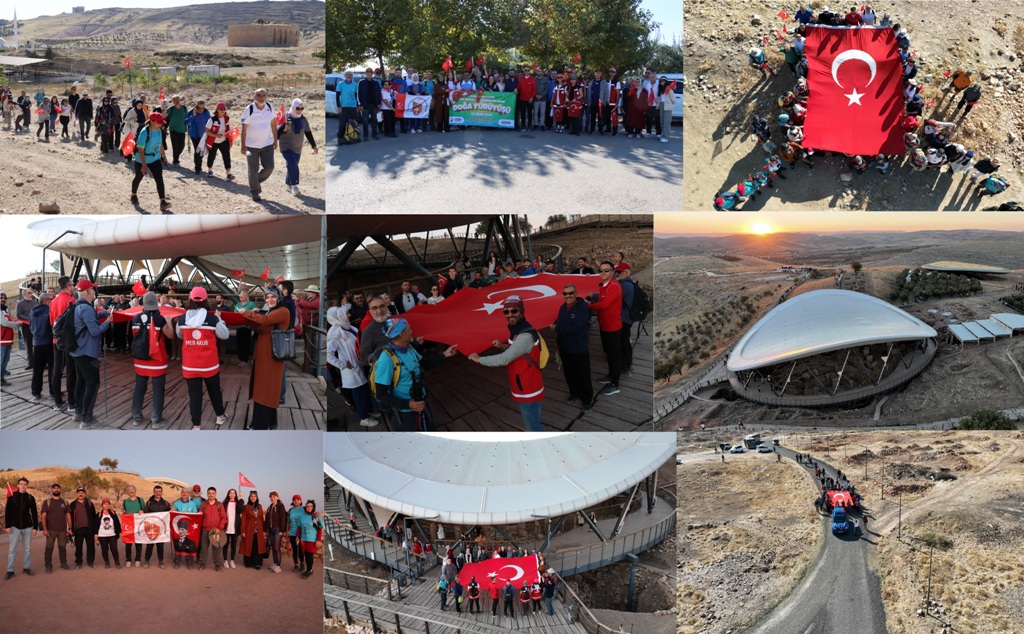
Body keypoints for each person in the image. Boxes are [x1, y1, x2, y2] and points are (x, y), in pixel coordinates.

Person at [468, 295, 545, 431]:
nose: (510, 315)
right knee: (532, 422)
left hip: (528, 388)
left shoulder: (525, 335)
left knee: (533, 428)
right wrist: (503, 346)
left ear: (522, 312)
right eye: (506, 311)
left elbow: (505, 359)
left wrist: (479, 359)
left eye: (514, 311)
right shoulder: (517, 330)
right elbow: (519, 351)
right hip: (525, 384)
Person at [373, 317, 458, 430]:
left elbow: (424, 364)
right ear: (402, 334)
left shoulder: (408, 348)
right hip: (405, 413)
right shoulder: (386, 359)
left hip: (421, 401)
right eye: (409, 329)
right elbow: (380, 394)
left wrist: (445, 355)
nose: (412, 331)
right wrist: (407, 404)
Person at [175, 286, 230, 430]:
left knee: (194, 396)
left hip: (190, 365)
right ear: (205, 300)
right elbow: (224, 335)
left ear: (190, 299)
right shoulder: (212, 319)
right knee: (214, 391)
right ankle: (220, 416)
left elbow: (179, 335)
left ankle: (196, 425)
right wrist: (219, 319)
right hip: (209, 365)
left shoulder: (182, 319)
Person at [238, 284, 289, 429]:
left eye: (273, 296)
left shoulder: (282, 311)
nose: (270, 299)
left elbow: (264, 321)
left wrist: (247, 313)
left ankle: (258, 425)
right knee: (266, 389)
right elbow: (260, 328)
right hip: (265, 356)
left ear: (279, 297)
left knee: (265, 390)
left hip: (272, 357)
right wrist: (249, 319)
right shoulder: (271, 312)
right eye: (268, 297)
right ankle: (270, 422)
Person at [69, 280, 112, 425]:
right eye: (93, 290)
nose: (95, 292)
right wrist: (108, 321)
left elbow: (88, 321)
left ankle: (78, 413)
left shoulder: (77, 305)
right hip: (87, 352)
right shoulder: (86, 308)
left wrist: (103, 314)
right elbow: (95, 331)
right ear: (87, 291)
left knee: (80, 382)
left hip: (77, 351)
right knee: (92, 384)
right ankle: (87, 419)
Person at [130, 291, 174, 428]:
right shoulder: (160, 319)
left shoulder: (135, 318)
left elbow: (135, 336)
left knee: (139, 388)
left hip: (141, 359)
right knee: (158, 389)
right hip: (157, 360)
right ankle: (156, 419)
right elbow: (170, 335)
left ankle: (136, 417)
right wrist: (169, 322)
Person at [327, 307, 375, 427]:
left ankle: (367, 412)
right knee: (359, 393)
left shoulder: (348, 327)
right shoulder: (335, 334)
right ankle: (364, 418)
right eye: (346, 313)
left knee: (363, 391)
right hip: (351, 368)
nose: (348, 315)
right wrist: (342, 365)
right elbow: (328, 354)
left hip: (359, 364)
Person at [552, 284, 593, 409]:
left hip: (579, 348)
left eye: (570, 293)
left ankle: (587, 400)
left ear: (576, 293)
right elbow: (561, 325)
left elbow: (576, 328)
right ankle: (574, 393)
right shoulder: (562, 308)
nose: (568, 296)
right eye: (565, 294)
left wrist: (556, 328)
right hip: (565, 347)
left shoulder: (582, 308)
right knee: (569, 373)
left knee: (583, 375)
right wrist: (558, 345)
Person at [587, 262, 623, 396]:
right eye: (601, 270)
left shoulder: (614, 286)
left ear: (612, 272)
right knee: (609, 353)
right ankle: (611, 375)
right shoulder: (604, 286)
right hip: (604, 325)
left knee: (614, 355)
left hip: (612, 327)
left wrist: (588, 306)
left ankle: (615, 383)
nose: (603, 273)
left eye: (606, 271)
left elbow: (604, 305)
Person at [240, 88, 279, 202]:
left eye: (263, 95)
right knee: (253, 169)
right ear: (254, 97)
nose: (261, 97)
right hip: (251, 146)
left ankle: (256, 182)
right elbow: (244, 129)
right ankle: (254, 192)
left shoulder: (270, 107)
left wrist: (275, 139)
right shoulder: (249, 109)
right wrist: (243, 146)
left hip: (267, 143)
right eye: (259, 95)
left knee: (269, 167)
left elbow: (273, 124)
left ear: (266, 96)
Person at [131, 112, 171, 212]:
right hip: (142, 159)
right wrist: (144, 166)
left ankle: (162, 202)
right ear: (152, 121)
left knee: (159, 178)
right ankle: (133, 194)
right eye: (159, 122)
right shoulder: (145, 132)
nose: (161, 124)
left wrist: (164, 155)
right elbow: (140, 149)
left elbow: (160, 143)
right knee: (138, 177)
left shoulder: (159, 130)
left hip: (155, 158)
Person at [277, 98, 318, 196]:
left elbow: (307, 132)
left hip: (298, 146)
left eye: (301, 108)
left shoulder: (303, 119)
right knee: (292, 163)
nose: (299, 111)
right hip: (286, 145)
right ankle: (294, 186)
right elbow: (276, 132)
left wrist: (314, 145)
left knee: (293, 165)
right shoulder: (286, 117)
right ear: (293, 107)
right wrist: (283, 128)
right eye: (297, 108)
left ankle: (288, 184)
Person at [5, 477, 38, 580]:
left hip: (27, 526)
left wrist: (35, 527)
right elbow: (8, 512)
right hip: (14, 527)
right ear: (18, 485)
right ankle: (10, 570)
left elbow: (34, 513)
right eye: (21, 484)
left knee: (27, 549)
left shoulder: (30, 498)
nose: (23, 485)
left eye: (25, 484)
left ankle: (26, 567)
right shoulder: (12, 497)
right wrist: (8, 526)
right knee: (12, 549)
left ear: (27, 486)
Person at [40, 482, 71, 574]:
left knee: (62, 548)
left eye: (58, 488)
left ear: (60, 490)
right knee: (49, 548)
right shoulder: (47, 502)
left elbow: (68, 515)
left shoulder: (64, 502)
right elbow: (43, 516)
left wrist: (70, 528)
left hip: (62, 530)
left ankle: (64, 564)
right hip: (50, 530)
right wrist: (45, 529)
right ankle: (48, 566)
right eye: (54, 488)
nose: (56, 489)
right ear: (52, 490)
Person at [28, 292, 52, 401]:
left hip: (37, 342)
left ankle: (36, 393)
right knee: (52, 368)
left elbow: (30, 325)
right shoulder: (49, 311)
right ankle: (53, 392)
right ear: (46, 301)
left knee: (37, 369)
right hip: (48, 342)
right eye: (51, 300)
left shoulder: (32, 312)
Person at [197, 487, 227, 572]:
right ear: (207, 494)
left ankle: (217, 564)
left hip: (216, 531)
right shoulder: (203, 504)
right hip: (205, 530)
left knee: (216, 548)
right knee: (204, 548)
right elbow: (200, 516)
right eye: (209, 493)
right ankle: (202, 563)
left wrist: (219, 528)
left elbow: (224, 517)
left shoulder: (219, 505)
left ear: (215, 494)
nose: (211, 495)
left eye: (213, 493)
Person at [171, 487, 201, 569]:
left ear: (188, 494)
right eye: (183, 492)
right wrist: (172, 510)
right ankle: (177, 561)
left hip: (189, 528)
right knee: (178, 544)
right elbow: (172, 511)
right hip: (179, 527)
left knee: (188, 544)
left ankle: (189, 562)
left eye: (186, 492)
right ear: (181, 493)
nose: (184, 493)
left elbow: (195, 515)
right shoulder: (176, 503)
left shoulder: (192, 504)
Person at [203, 102, 234, 180]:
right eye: (221, 109)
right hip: (213, 141)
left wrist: (231, 139)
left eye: (224, 109)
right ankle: (210, 170)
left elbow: (230, 130)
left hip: (223, 141)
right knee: (212, 156)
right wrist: (216, 135)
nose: (223, 111)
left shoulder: (227, 119)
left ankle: (228, 173)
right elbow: (207, 131)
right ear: (217, 109)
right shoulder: (212, 119)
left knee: (227, 156)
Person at [295, 499, 322, 580]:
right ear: (305, 507)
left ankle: (309, 570)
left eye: (311, 506)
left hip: (312, 540)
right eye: (307, 506)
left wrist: (318, 540)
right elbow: (299, 527)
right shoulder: (302, 516)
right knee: (306, 555)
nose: (309, 508)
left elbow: (319, 529)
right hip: (303, 539)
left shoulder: (316, 517)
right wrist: (297, 536)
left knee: (310, 556)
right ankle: (308, 570)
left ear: (313, 507)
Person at [240, 490, 267, 569]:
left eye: (254, 496)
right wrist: (243, 531)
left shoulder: (260, 506)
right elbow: (243, 519)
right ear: (249, 497)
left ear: (257, 497)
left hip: (258, 528)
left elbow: (262, 518)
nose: (253, 497)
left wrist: (263, 530)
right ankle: (248, 563)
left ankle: (257, 563)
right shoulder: (246, 507)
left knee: (257, 546)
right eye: (251, 496)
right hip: (249, 528)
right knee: (248, 545)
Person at [93, 498, 122, 569]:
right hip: (102, 534)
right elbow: (96, 525)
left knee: (114, 549)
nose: (106, 505)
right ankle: (107, 562)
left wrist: (119, 532)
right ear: (102, 505)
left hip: (112, 534)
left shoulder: (113, 513)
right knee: (104, 549)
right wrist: (95, 535)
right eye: (105, 504)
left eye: (108, 504)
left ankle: (117, 562)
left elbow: (117, 523)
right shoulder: (99, 514)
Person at [122, 485, 145, 567]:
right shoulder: (125, 501)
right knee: (128, 544)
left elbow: (144, 511)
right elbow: (124, 512)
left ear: (135, 491)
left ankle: (138, 559)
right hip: (129, 525)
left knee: (138, 543)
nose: (131, 491)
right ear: (127, 492)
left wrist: (142, 511)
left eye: (133, 489)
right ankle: (128, 559)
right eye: (129, 490)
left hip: (139, 525)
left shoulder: (140, 500)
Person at [264, 491, 287, 573]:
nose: (272, 498)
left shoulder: (281, 506)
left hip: (277, 530)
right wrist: (265, 529)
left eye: (274, 496)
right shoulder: (270, 507)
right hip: (270, 530)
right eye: (271, 497)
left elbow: (283, 518)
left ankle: (278, 566)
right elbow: (267, 519)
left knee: (277, 548)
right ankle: (275, 563)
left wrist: (282, 530)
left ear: (277, 497)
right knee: (273, 548)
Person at [357, 67, 381, 140]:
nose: (369, 72)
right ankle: (365, 135)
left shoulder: (376, 83)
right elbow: (359, 94)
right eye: (368, 71)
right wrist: (360, 104)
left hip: (374, 105)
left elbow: (379, 94)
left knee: (374, 120)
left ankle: (374, 134)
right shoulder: (361, 82)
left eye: (371, 71)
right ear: (366, 73)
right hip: (365, 105)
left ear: (372, 73)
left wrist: (379, 103)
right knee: (365, 121)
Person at [221, 488, 242, 568]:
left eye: (234, 493)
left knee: (233, 545)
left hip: (234, 528)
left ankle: (232, 561)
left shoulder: (237, 503)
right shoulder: (225, 503)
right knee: (225, 545)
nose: (232, 494)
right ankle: (225, 561)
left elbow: (241, 509)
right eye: (230, 493)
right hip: (226, 527)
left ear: (235, 495)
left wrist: (241, 498)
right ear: (228, 494)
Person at [657, 76, 677, 143]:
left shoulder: (669, 89)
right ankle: (663, 135)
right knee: (662, 121)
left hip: (667, 107)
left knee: (666, 122)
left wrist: (669, 104)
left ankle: (666, 137)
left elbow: (674, 100)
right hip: (662, 106)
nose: (662, 82)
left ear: (666, 81)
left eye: (664, 80)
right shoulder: (660, 89)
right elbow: (660, 98)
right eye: (661, 81)